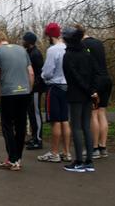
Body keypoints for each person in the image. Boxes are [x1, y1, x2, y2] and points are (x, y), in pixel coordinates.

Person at [0, 31, 34, 171]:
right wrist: (29, 90)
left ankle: (12, 159)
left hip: (8, 93)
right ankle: (17, 159)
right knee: (20, 126)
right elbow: (31, 73)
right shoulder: (22, 50)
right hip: (24, 91)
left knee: (7, 125)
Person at [62, 26, 99, 172]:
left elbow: (72, 76)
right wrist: (92, 91)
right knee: (86, 127)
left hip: (75, 94)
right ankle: (89, 161)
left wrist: (87, 89)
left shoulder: (68, 55)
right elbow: (95, 72)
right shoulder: (87, 53)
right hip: (88, 95)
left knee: (76, 127)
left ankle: (78, 161)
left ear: (67, 39)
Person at [37, 23, 72, 163]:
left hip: (55, 87)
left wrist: (43, 76)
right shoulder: (67, 48)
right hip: (67, 86)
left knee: (55, 121)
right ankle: (67, 152)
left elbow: (48, 71)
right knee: (65, 120)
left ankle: (54, 152)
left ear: (50, 36)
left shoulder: (53, 50)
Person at [82, 26, 112, 159]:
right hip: (106, 79)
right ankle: (103, 147)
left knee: (92, 114)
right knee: (102, 112)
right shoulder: (99, 42)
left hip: (95, 82)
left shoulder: (83, 45)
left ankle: (93, 148)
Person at [22, 32, 45, 150]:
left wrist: (35, 84)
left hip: (36, 88)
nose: (22, 42)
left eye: (24, 40)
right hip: (30, 87)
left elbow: (41, 72)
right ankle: (34, 137)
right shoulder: (28, 53)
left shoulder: (36, 54)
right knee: (31, 113)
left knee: (36, 113)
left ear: (29, 42)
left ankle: (38, 140)